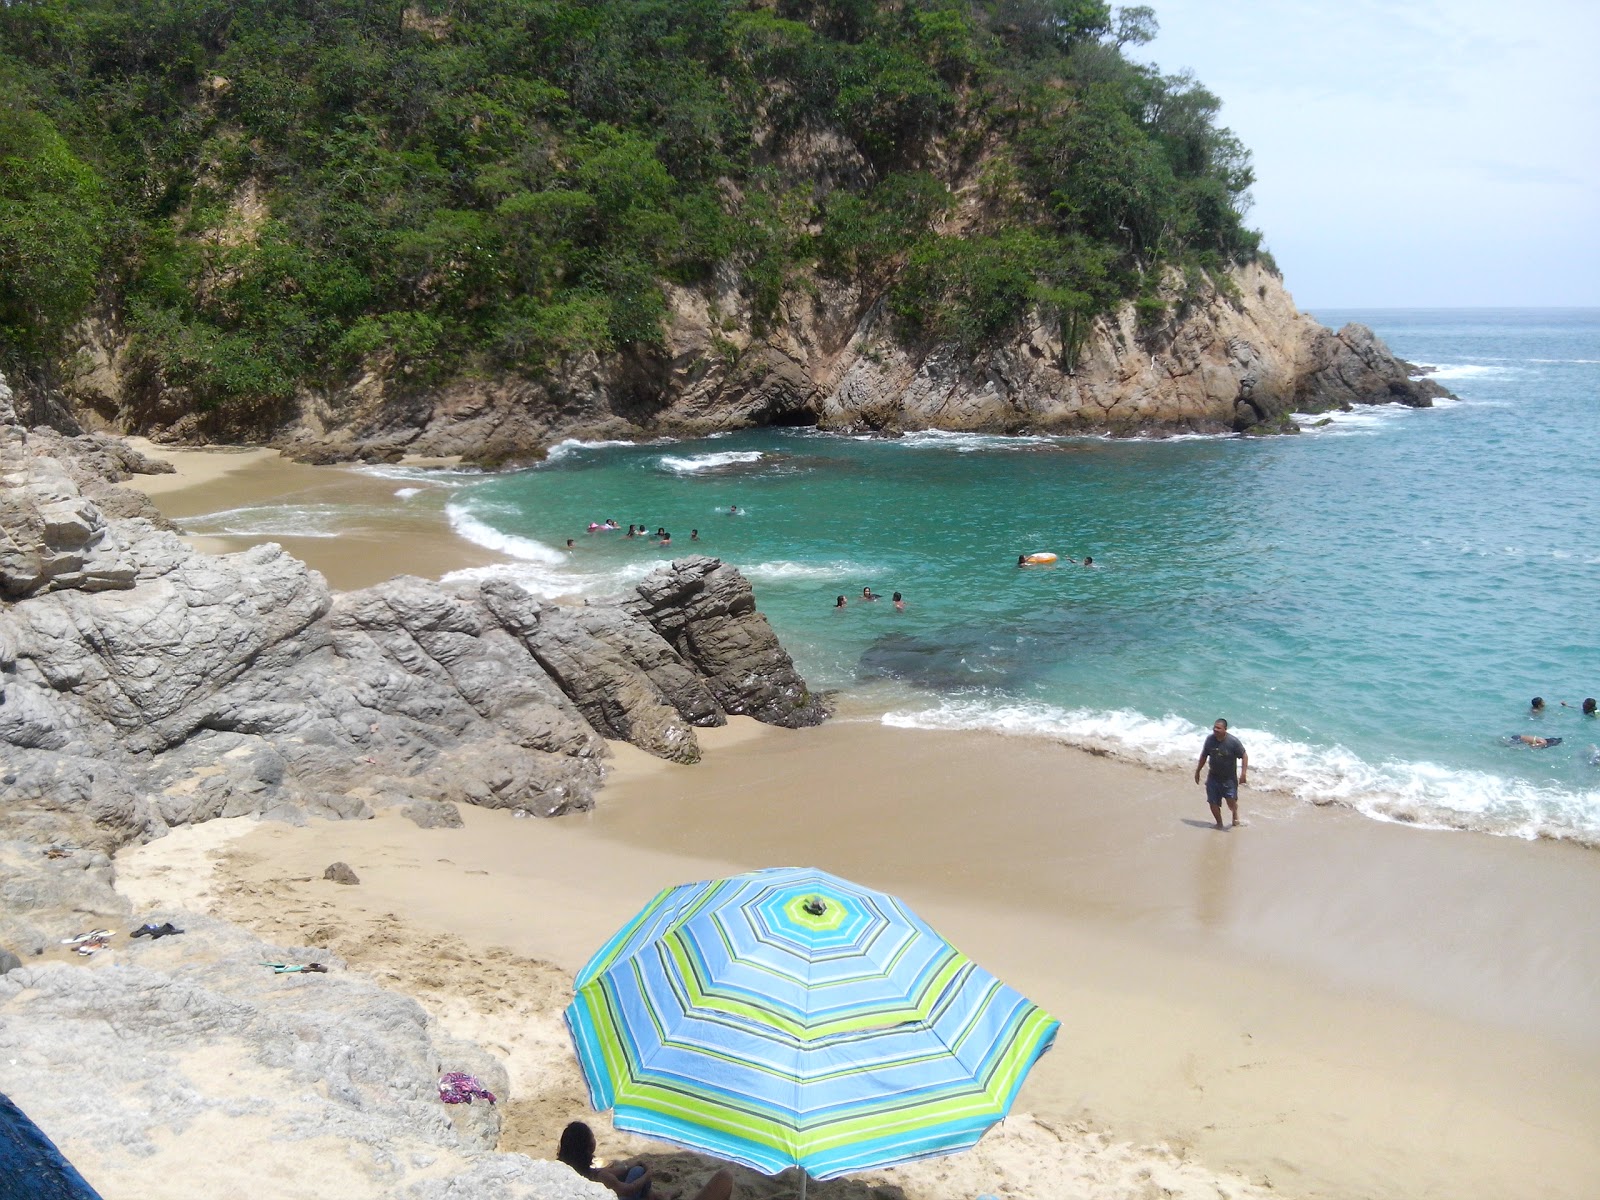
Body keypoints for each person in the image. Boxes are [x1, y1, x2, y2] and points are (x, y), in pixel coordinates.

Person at [1194, 718, 1247, 829]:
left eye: (1218, 728)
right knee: (1212, 802)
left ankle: (1234, 814)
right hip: (1213, 777)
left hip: (1229, 778)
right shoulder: (1210, 740)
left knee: (1231, 802)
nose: (1215, 730)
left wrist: (1243, 774)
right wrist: (1198, 771)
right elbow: (1204, 756)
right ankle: (1219, 823)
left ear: (1225, 729)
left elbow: (1244, 755)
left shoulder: (1233, 742)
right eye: (1214, 727)